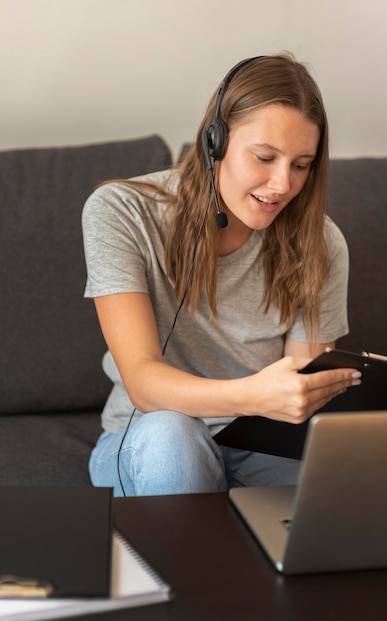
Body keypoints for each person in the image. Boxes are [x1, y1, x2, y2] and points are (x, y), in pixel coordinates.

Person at [82, 52, 362, 497]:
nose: (282, 185)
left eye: (301, 165)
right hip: (153, 436)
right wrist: (252, 395)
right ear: (217, 141)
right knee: (172, 438)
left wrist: (360, 382)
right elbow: (143, 383)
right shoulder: (121, 211)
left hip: (261, 441)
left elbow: (301, 383)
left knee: (344, 488)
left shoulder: (321, 242)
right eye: (265, 157)